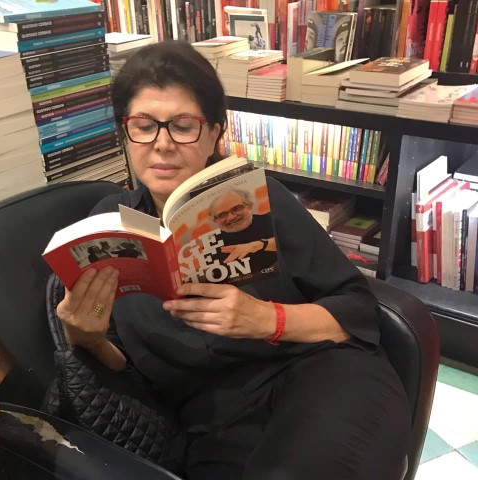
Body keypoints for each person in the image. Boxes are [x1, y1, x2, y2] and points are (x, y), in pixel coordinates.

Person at [56, 40, 411, 480]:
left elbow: (356, 309)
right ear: (125, 133)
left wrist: (266, 319)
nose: (162, 144)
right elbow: (120, 367)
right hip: (211, 426)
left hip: (318, 374)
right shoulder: (110, 226)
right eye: (144, 125)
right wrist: (85, 336)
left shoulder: (260, 201)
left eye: (183, 125)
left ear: (214, 133)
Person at [208, 189, 277, 271]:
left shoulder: (270, 220)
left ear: (249, 205)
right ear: (215, 220)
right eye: (222, 215)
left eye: (237, 208)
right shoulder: (212, 244)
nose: (231, 217)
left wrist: (259, 245)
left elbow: (286, 243)